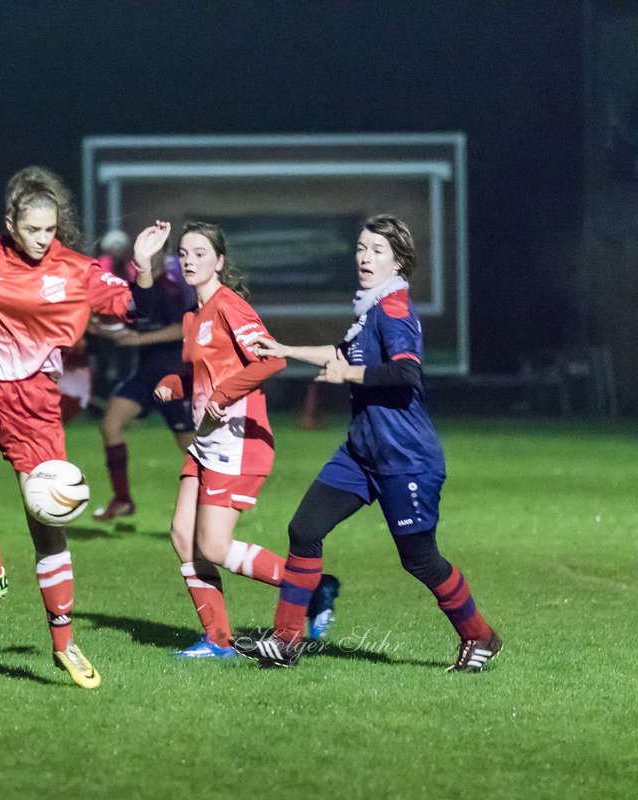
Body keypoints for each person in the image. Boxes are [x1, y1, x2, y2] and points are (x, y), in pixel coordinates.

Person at [236, 215, 501, 671]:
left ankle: (480, 636)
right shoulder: (369, 310)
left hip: (405, 458)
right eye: (361, 247)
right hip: (362, 453)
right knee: (304, 529)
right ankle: (286, 640)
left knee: (419, 559)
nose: (364, 256)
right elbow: (341, 354)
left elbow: (405, 372)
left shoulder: (394, 307)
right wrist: (283, 349)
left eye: (376, 249)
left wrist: (348, 374)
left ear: (397, 260)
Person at [0, 166, 137, 689]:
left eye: (50, 230)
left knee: (47, 526)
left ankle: (65, 643)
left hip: (37, 401)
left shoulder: (75, 269)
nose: (43, 239)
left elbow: (137, 303)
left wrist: (144, 270)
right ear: (12, 225)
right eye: (34, 229)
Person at [134, 221, 338, 658]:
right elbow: (199, 374)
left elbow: (271, 359)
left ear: (220, 262)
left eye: (200, 253)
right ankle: (217, 639)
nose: (190, 260)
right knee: (181, 536)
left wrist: (225, 393)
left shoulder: (230, 306)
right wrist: (175, 381)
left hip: (239, 442)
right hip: (207, 442)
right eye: (184, 253)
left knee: (213, 546)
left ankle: (311, 587)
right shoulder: (192, 317)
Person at [91, 249, 196, 521]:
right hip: (145, 376)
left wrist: (137, 340)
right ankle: (123, 499)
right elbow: (130, 326)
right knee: (110, 424)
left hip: (175, 377)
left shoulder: (172, 288)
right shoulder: (136, 290)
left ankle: (216, 499)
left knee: (190, 446)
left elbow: (183, 329)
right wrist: (99, 328)